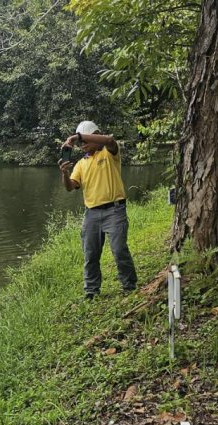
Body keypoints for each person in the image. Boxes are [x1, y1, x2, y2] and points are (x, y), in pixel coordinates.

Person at [58, 121, 137, 299]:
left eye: (86, 140)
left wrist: (77, 136)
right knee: (90, 254)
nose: (82, 145)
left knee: (119, 250)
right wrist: (64, 174)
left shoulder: (109, 153)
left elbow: (109, 139)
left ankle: (129, 286)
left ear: (96, 136)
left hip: (114, 211)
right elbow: (71, 187)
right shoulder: (80, 164)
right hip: (91, 214)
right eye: (80, 143)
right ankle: (91, 291)